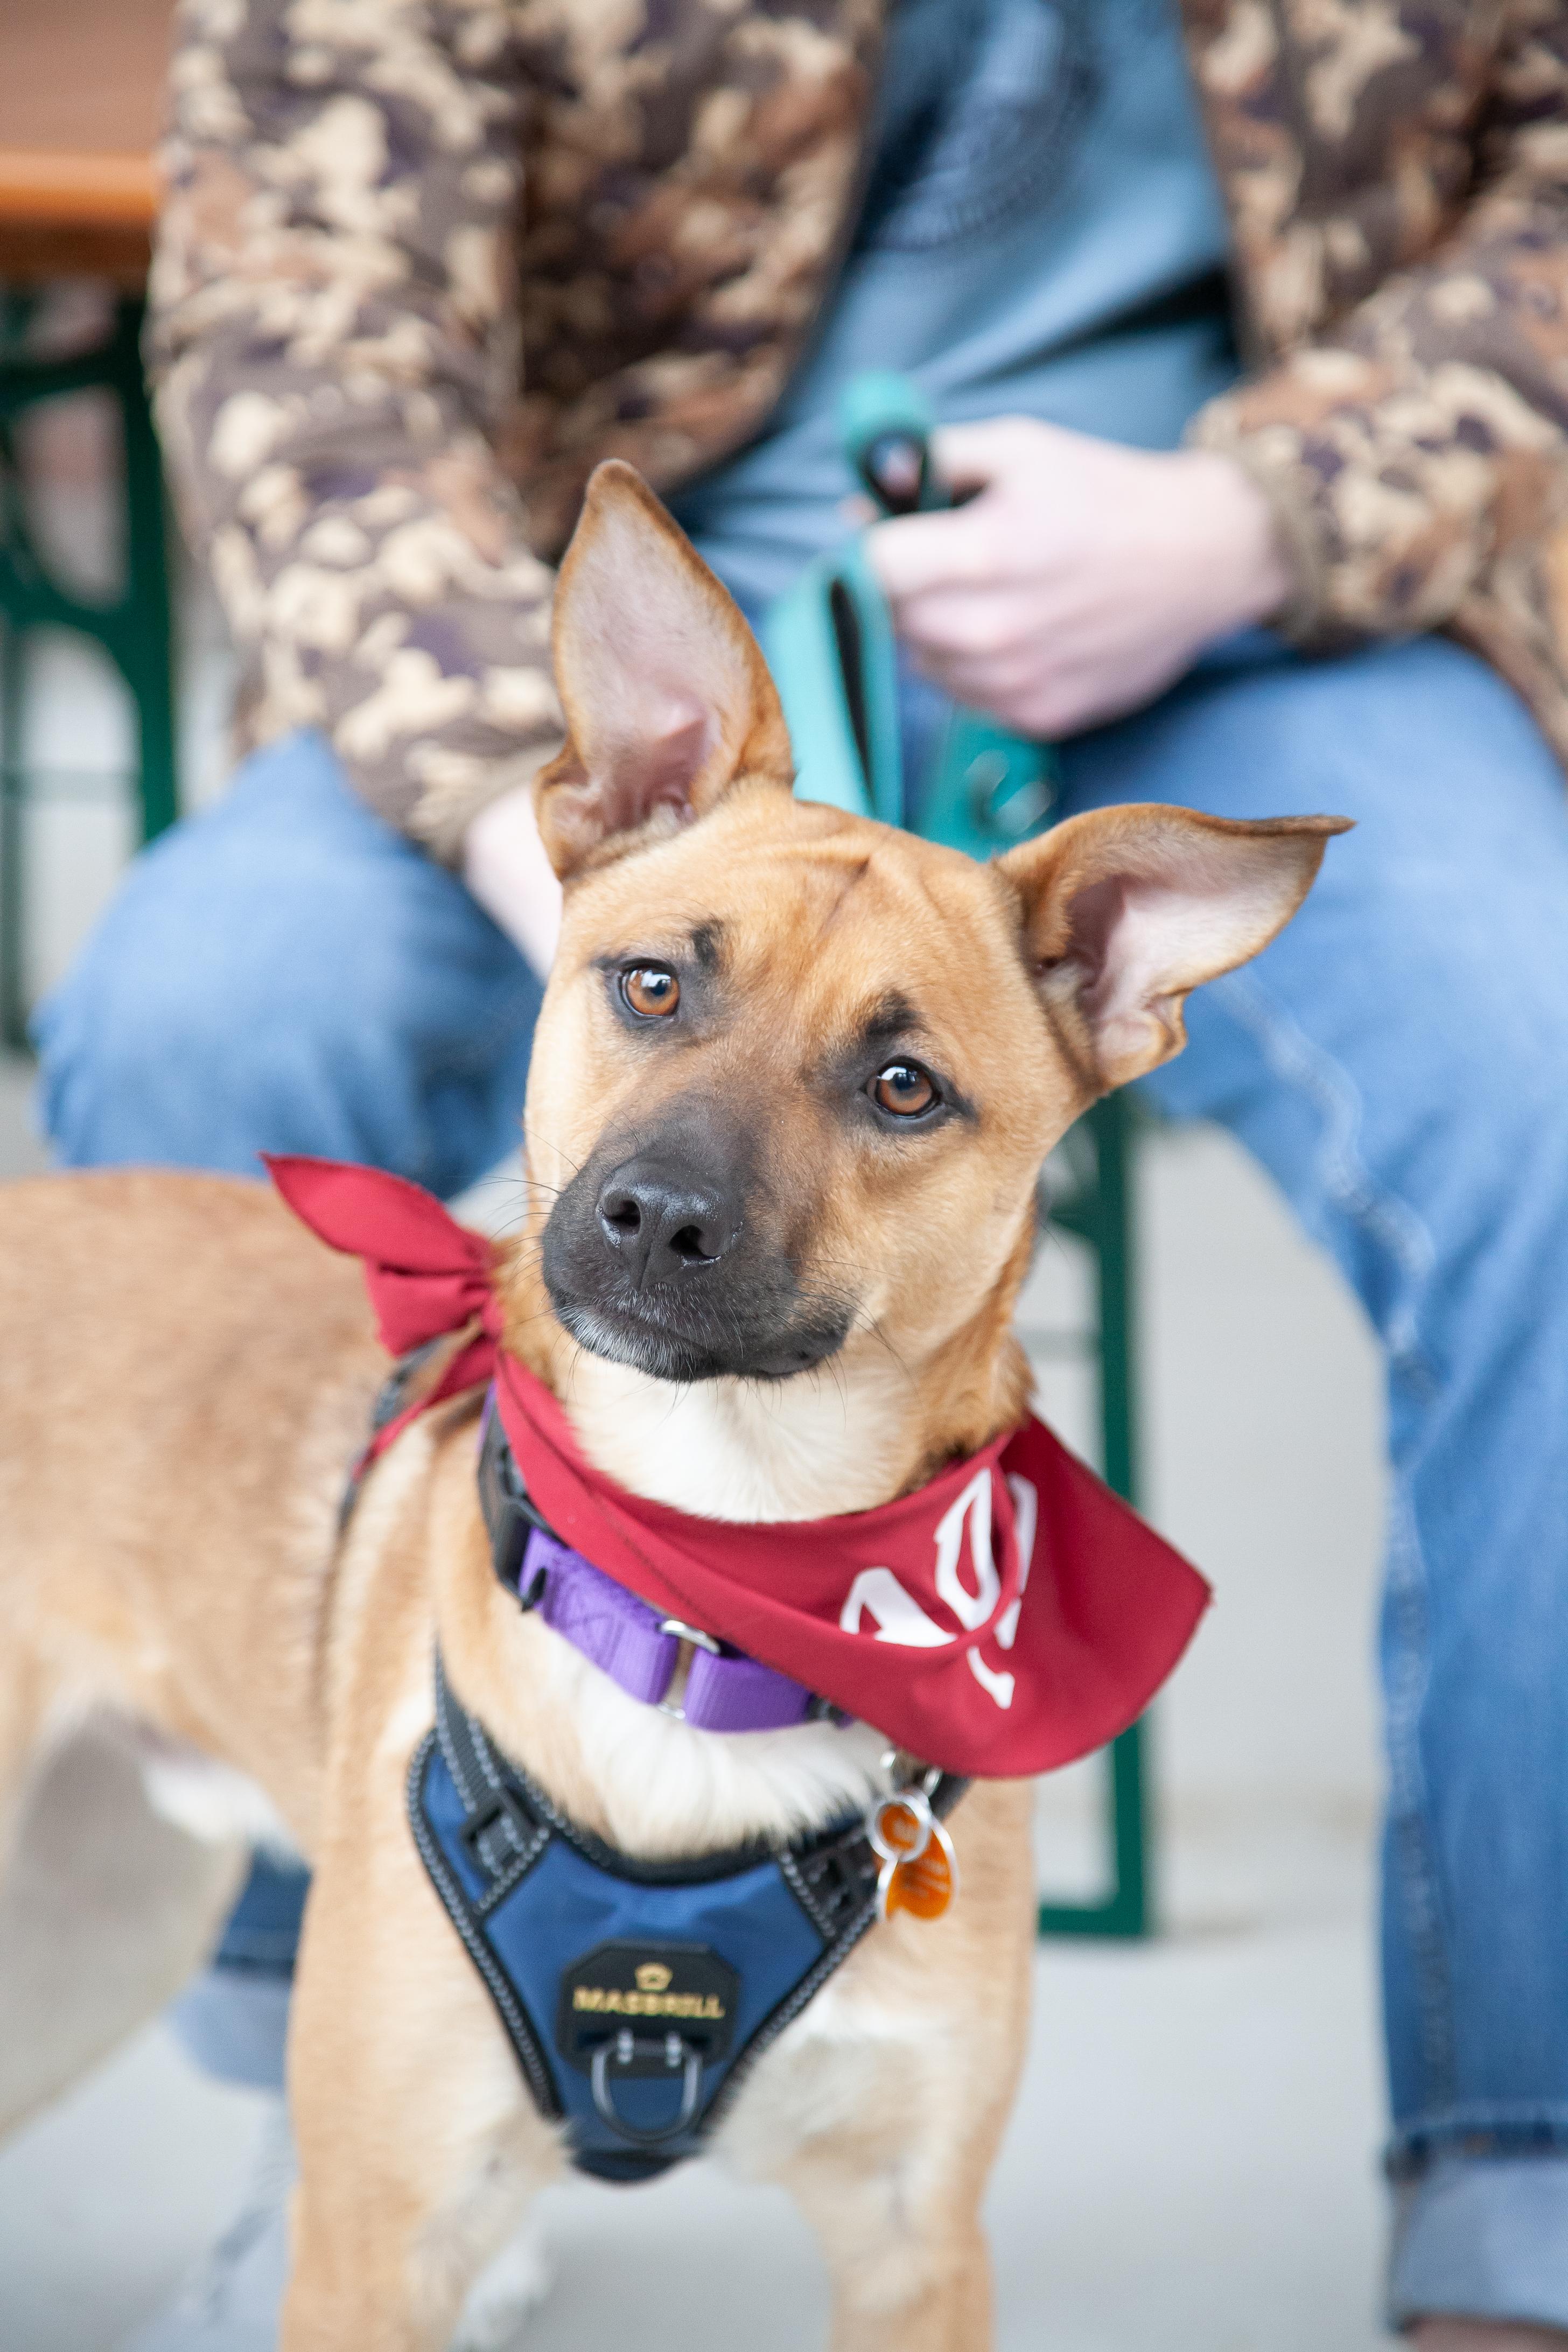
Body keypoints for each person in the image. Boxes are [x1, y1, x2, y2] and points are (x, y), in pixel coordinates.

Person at [34, 3, 1568, 2345]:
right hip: (621, 639)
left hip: (1267, 593)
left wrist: (1250, 514)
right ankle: (347, 2084)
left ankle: (1512, 2185)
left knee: (1545, 1085)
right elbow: (287, 309)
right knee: (199, 1007)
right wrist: (552, 844)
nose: (663, 1208)